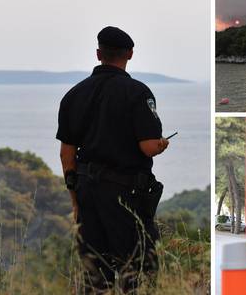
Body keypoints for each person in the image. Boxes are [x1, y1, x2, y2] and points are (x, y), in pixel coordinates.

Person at [56, 26, 170, 293]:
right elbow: (149, 147)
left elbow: (66, 155)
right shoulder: (137, 92)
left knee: (95, 275)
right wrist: (162, 144)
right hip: (125, 196)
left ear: (98, 54)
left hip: (87, 193)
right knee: (139, 271)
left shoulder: (73, 95)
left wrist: (76, 202)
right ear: (129, 54)